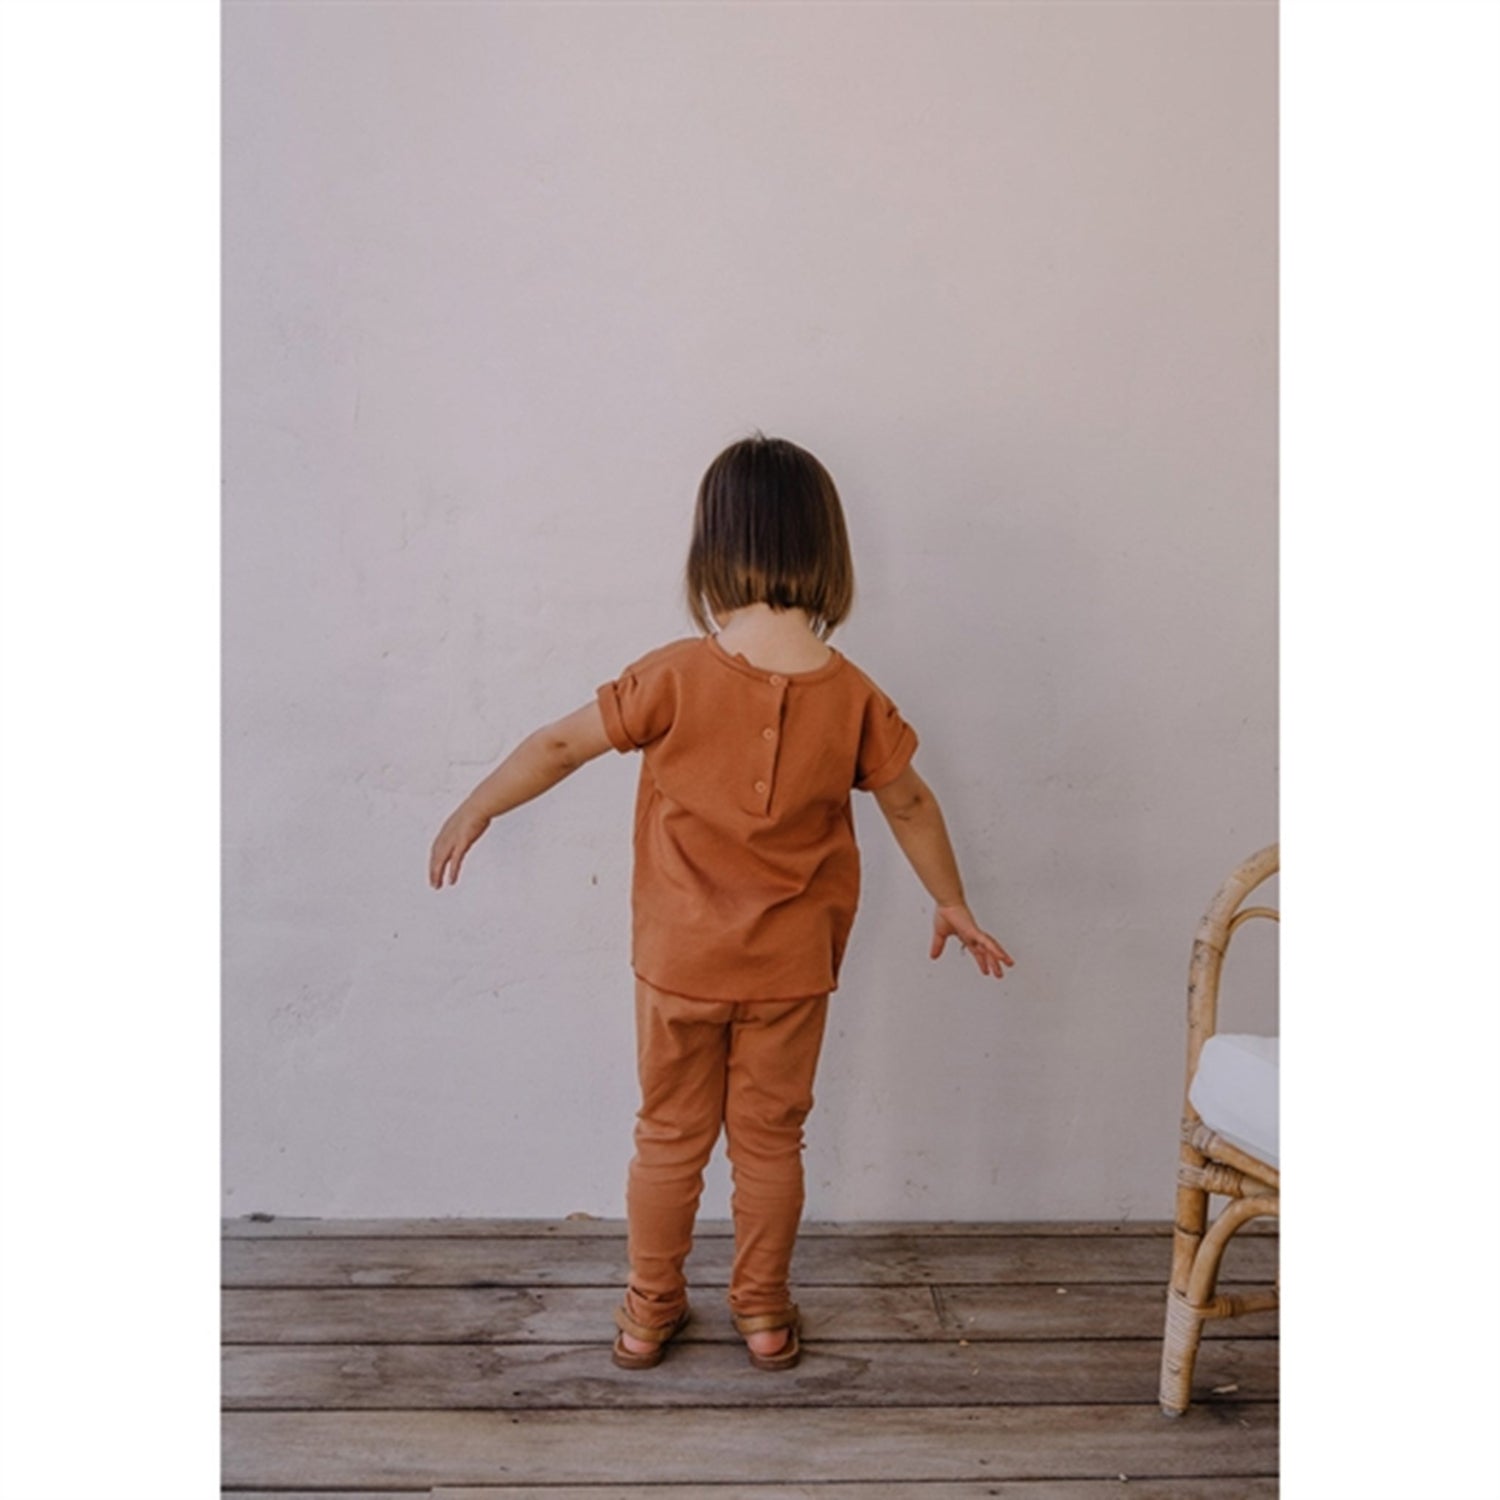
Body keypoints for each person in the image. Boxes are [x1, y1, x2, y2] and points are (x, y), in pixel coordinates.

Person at [429, 431, 1013, 1372]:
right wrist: (951, 901)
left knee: (668, 1138)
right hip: (792, 971)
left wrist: (478, 804)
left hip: (679, 964)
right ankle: (765, 1314)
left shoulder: (671, 675)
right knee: (771, 1144)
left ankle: (647, 1313)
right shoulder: (855, 696)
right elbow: (909, 801)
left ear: (712, 550)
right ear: (827, 552)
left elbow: (560, 746)